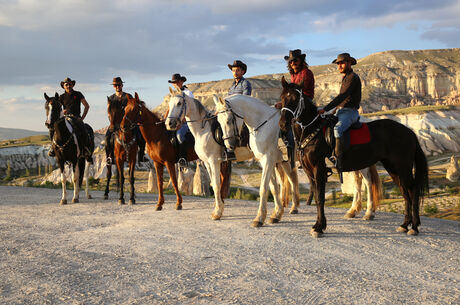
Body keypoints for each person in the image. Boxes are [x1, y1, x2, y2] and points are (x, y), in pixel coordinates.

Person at [318, 53, 361, 170]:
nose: (339, 66)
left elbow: (342, 97)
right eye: (338, 64)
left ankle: (339, 159)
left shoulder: (353, 77)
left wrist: (325, 109)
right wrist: (331, 113)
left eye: (341, 63)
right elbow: (341, 101)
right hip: (341, 111)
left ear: (349, 63)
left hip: (350, 112)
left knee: (338, 129)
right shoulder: (345, 78)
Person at [276, 49, 315, 152]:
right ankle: (283, 140)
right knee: (282, 113)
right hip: (295, 101)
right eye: (291, 61)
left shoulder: (306, 73)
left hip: (305, 101)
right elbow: (292, 94)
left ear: (301, 60)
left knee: (289, 118)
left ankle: (291, 143)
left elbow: (299, 92)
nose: (293, 63)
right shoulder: (293, 75)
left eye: (295, 60)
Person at [49, 77, 92, 162]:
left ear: (72, 85)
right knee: (54, 129)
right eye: (66, 85)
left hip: (76, 117)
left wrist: (82, 118)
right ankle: (53, 148)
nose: (68, 86)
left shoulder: (78, 94)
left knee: (83, 130)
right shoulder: (61, 97)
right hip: (66, 118)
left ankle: (85, 150)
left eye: (70, 84)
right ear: (63, 86)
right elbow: (57, 108)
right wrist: (62, 111)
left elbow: (86, 106)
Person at [106, 77, 146, 164]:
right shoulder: (111, 98)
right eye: (115, 85)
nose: (117, 86)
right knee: (107, 138)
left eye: (119, 85)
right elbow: (109, 112)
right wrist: (111, 122)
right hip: (116, 123)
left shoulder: (128, 96)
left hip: (128, 122)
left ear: (122, 85)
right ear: (113, 86)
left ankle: (141, 156)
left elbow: (132, 108)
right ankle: (110, 157)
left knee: (141, 137)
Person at [224, 60, 252, 161]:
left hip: (241, 112)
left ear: (243, 71)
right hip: (231, 113)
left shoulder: (245, 84)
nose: (235, 72)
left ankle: (243, 149)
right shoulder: (232, 86)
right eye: (233, 70)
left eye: (238, 70)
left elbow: (245, 100)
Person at [168, 73, 194, 168]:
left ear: (181, 82)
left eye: (176, 82)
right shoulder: (173, 95)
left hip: (187, 121)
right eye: (173, 83)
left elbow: (190, 110)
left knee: (179, 135)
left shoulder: (188, 93)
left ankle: (182, 158)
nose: (175, 84)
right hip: (176, 120)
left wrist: (181, 122)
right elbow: (170, 109)